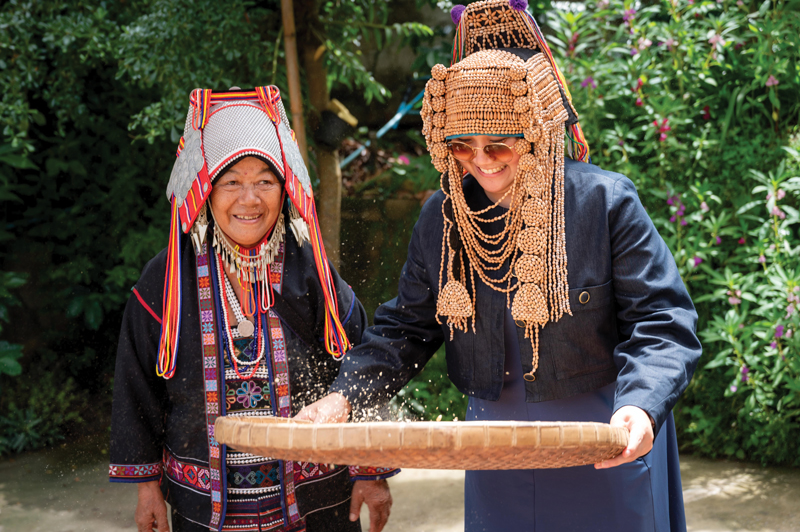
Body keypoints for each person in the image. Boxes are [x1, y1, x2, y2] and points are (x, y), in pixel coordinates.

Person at [299, 2, 702, 531]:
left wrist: (641, 407)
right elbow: (406, 328)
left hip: (605, 437)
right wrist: (342, 396)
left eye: (498, 145)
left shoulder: (604, 202)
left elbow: (663, 325)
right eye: (462, 146)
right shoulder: (445, 217)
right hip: (496, 448)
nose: (482, 161)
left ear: (536, 131)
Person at [109, 87, 396, 532]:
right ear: (206, 189)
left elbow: (360, 363)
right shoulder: (166, 280)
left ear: (284, 188)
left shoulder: (310, 266)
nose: (249, 199)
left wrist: (371, 471)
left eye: (265, 180)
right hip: (207, 511)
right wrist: (147, 488)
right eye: (231, 182)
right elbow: (137, 387)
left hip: (316, 504)